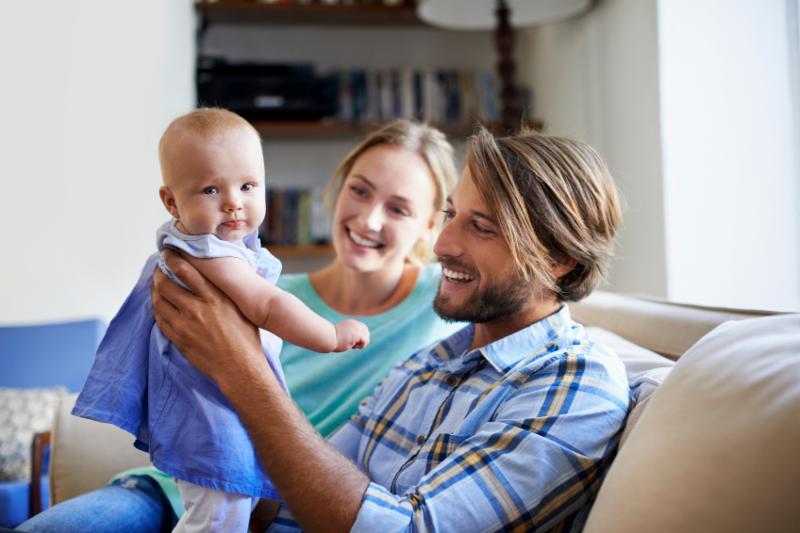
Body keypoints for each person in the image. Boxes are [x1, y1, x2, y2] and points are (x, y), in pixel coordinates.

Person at [147, 125, 630, 531]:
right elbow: (289, 492)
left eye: (481, 227)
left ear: (559, 259)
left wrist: (239, 369)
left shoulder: (577, 383)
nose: (442, 245)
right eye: (451, 216)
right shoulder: (428, 365)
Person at [16, 119, 462, 532]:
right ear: (338, 189)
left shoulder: (442, 302)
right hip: (181, 481)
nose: (369, 219)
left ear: (430, 226)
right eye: (360, 191)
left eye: (399, 209)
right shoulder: (258, 288)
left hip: (276, 507)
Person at [71, 108, 370, 532]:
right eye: (211, 189)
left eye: (248, 185)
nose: (233, 202)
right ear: (172, 201)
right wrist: (332, 334)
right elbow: (267, 306)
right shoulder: (211, 254)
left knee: (227, 509)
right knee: (219, 515)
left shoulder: (206, 244)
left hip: (215, 412)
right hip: (209, 417)